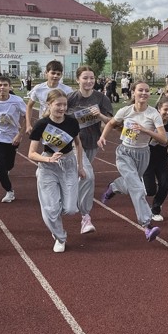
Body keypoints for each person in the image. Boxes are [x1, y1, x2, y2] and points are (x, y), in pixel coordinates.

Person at [98, 81, 168, 241]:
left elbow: (163, 139)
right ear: (133, 93)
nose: (144, 93)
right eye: (140, 90)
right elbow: (110, 123)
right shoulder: (125, 110)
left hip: (143, 153)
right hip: (125, 153)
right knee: (137, 187)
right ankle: (147, 226)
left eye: (147, 91)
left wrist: (145, 130)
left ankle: (114, 187)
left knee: (131, 183)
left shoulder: (153, 114)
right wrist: (103, 137)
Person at [28, 89, 86, 252]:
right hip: (48, 166)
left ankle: (53, 214)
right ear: (49, 104)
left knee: (70, 209)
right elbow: (31, 153)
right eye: (58, 104)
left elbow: (78, 144)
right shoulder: (41, 124)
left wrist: (80, 166)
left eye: (64, 105)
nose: (62, 108)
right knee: (51, 209)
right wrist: (48, 159)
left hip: (68, 163)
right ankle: (60, 237)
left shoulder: (72, 122)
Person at [66, 65, 114, 234]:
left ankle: (69, 201)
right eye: (85, 78)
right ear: (78, 79)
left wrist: (99, 115)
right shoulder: (70, 98)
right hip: (73, 143)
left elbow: (111, 122)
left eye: (91, 78)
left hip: (92, 142)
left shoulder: (101, 98)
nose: (89, 81)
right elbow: (58, 116)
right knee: (88, 176)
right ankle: (85, 217)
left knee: (80, 177)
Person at [0, 75, 27, 203]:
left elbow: (26, 117)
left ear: (10, 87)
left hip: (12, 137)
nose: (2, 88)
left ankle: (3, 167)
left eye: (5, 85)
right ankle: (9, 191)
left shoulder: (17, 101)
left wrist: (20, 134)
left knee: (9, 165)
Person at [143, 96, 168, 221]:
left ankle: (156, 209)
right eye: (166, 109)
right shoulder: (151, 122)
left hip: (162, 159)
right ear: (159, 109)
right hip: (147, 158)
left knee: (165, 185)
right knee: (150, 190)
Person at [25, 60, 73, 134]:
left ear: (61, 75)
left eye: (58, 74)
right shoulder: (38, 88)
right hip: (44, 123)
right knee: (43, 144)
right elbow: (29, 106)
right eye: (53, 73)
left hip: (61, 124)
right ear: (46, 73)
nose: (55, 76)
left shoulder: (67, 90)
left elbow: (72, 108)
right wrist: (28, 125)